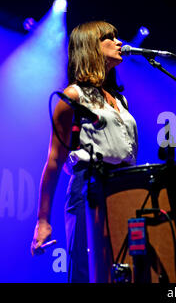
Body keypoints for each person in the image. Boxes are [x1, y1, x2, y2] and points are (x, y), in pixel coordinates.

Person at [30, 21, 138, 283]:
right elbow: (54, 161)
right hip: (89, 185)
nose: (118, 42)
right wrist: (42, 221)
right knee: (86, 269)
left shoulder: (119, 100)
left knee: (128, 267)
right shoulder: (73, 96)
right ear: (91, 46)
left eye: (116, 35)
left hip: (125, 185)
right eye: (109, 38)